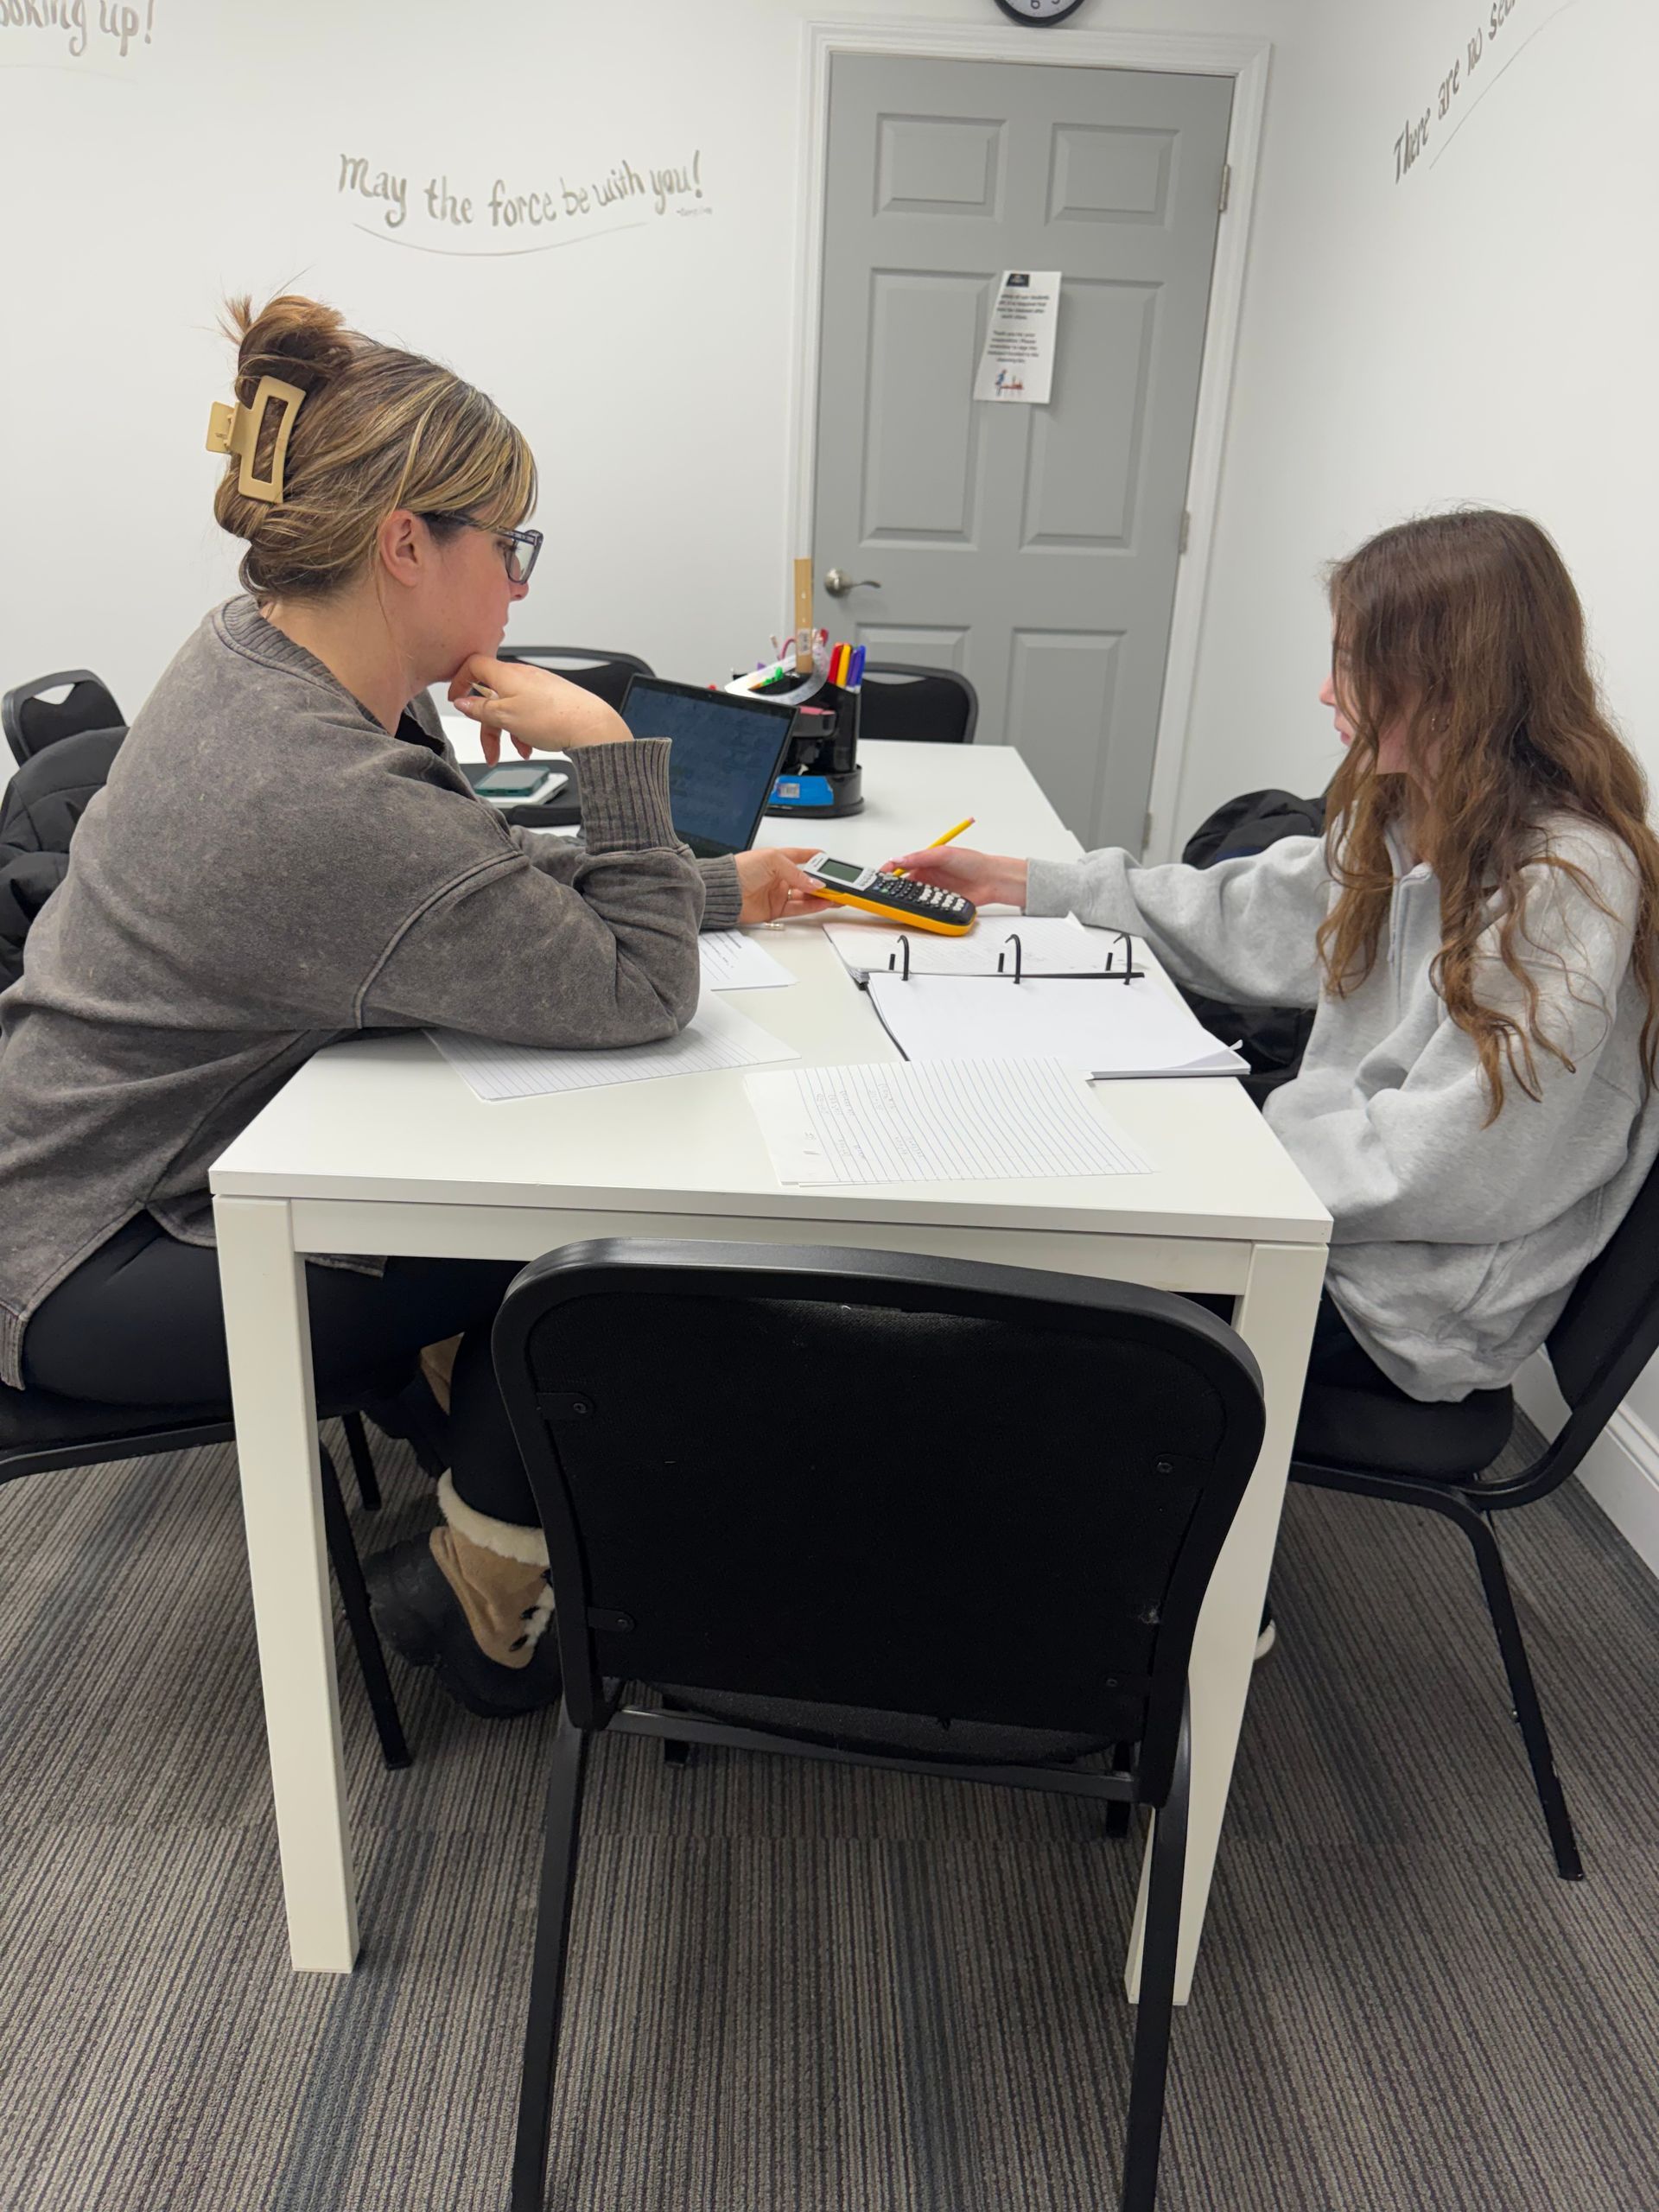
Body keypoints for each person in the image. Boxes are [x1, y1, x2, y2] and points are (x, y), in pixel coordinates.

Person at [0, 291, 817, 1718]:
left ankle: (480, 1489)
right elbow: (633, 996)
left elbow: (464, 900)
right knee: (600, 1245)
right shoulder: (314, 778)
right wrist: (618, 753)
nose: (515, 591)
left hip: (84, 1180)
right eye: (507, 550)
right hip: (89, 1259)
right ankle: (479, 1587)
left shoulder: (257, 659)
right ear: (403, 544)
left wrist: (727, 887)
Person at [893, 509, 1659, 1414]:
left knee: (1039, 1319)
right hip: (1324, 1207)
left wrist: (1222, 1159)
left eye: (1349, 663)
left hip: (1408, 1301)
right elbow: (1247, 916)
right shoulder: (1406, 812)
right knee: (1034, 1230)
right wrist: (1025, 882)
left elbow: (1447, 1166)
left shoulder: (1567, 880)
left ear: (1450, 683)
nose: (1326, 692)